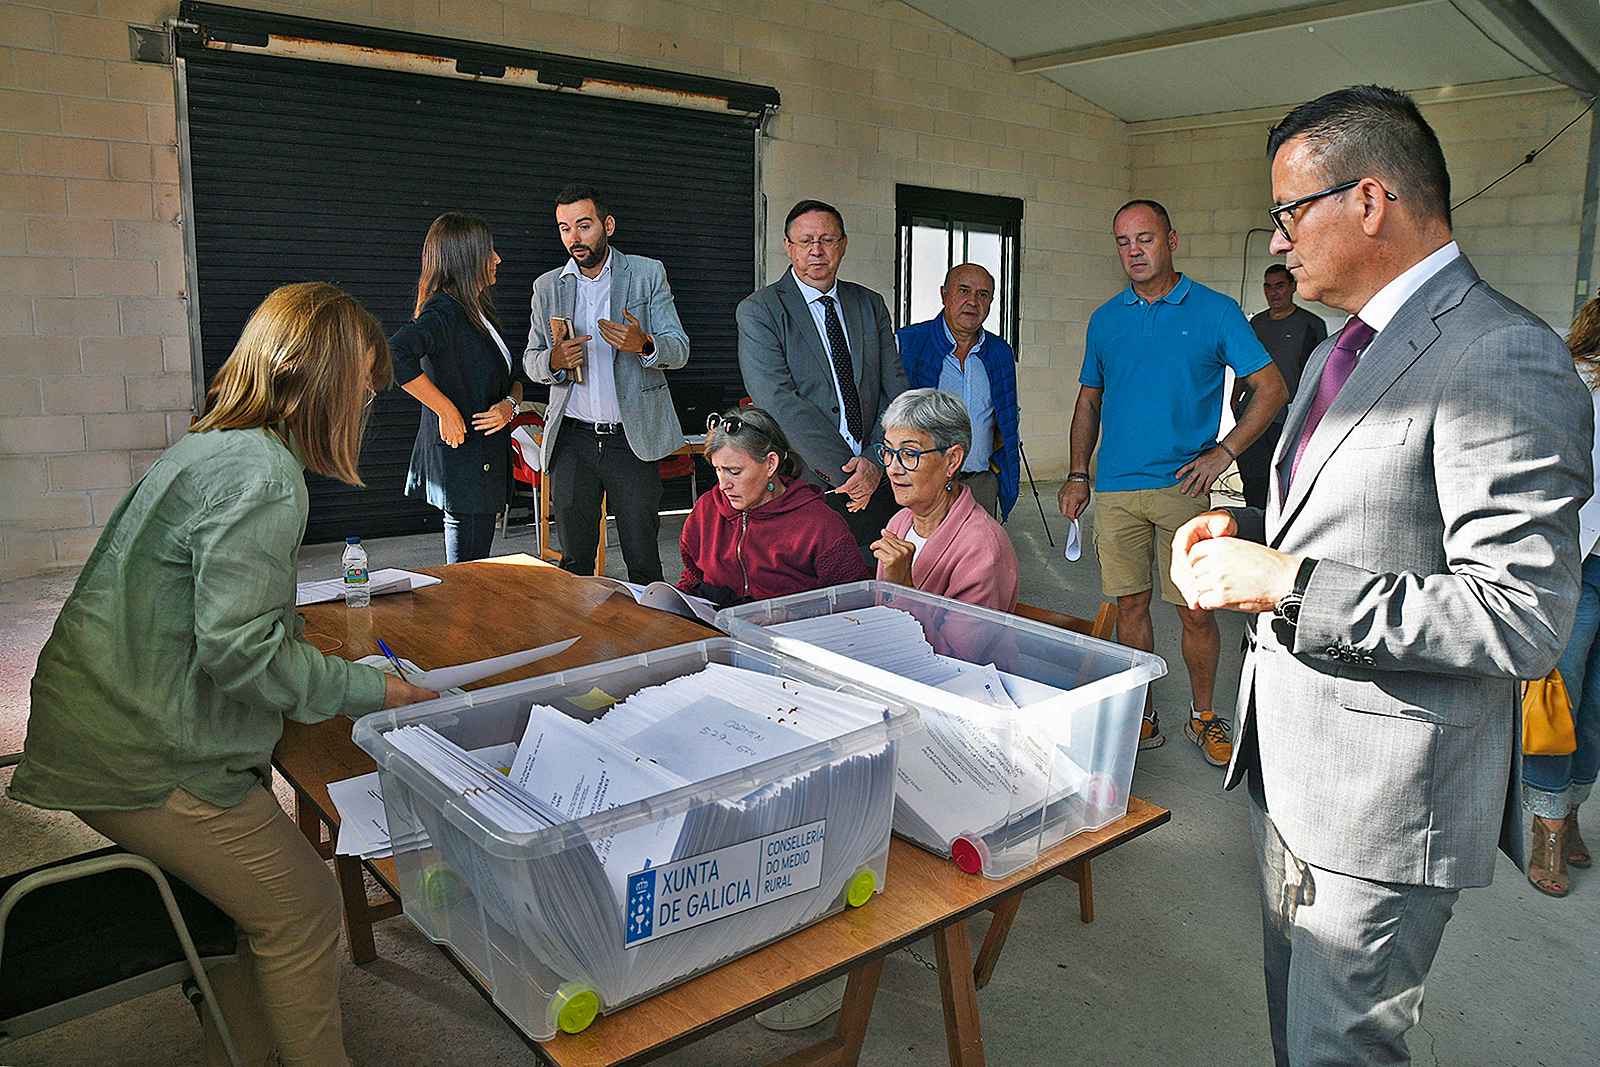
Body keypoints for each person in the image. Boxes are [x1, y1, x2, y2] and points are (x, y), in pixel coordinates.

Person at [1171, 86, 1591, 1067]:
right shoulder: (1332, 352)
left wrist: (1285, 582)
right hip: (1288, 759)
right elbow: (1342, 518)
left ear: (1367, 202)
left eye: (1286, 212)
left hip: (1380, 796)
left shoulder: (1503, 355)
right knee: (1297, 1028)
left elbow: (1520, 613)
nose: (1276, 244)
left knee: (1336, 1047)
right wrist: (1242, 532)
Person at [9, 282, 439, 1067]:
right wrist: (376, 687)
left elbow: (213, 608)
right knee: (304, 908)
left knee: (265, 908)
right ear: (322, 383)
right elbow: (240, 655)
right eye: (364, 394)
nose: (366, 414)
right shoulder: (265, 476)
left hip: (103, 717)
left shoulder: (217, 443)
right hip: (139, 751)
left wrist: (292, 638)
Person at [1059, 199, 1287, 767]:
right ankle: (1145, 712)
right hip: (1114, 490)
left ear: (1171, 239)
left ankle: (1205, 717)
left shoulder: (1215, 311)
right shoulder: (1106, 319)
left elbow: (1271, 388)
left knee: (1195, 609)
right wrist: (1077, 472)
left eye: (1145, 238)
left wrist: (1224, 452)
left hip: (1183, 489)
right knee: (1130, 606)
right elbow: (1089, 401)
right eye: (1122, 242)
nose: (1133, 251)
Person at [522, 184, 690, 583]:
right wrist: (554, 362)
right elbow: (530, 361)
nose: (574, 238)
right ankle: (582, 640)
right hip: (573, 442)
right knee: (574, 563)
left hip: (630, 441)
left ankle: (649, 643)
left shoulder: (647, 274)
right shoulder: (547, 287)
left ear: (607, 225)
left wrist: (645, 344)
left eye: (584, 225)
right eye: (565, 229)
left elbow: (679, 349)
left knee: (643, 560)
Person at [737, 199, 910, 552]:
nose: (816, 251)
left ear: (843, 245)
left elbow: (896, 390)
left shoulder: (870, 304)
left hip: (878, 475)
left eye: (827, 240)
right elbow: (779, 402)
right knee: (809, 587)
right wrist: (851, 473)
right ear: (788, 247)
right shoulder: (760, 311)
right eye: (805, 241)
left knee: (877, 583)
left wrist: (875, 460)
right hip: (806, 481)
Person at [391, 212, 523, 563]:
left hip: (484, 460)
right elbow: (395, 354)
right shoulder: (444, 309)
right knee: (467, 579)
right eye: (489, 251)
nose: (497, 259)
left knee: (475, 575)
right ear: (466, 258)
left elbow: (512, 378)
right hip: (464, 463)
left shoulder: (476, 310)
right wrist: (444, 409)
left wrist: (510, 404)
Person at [1524, 295, 1600, 896]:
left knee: (1596, 711)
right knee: (1559, 701)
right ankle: (1546, 825)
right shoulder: (1575, 384)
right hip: (1578, 563)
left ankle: (1571, 809)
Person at [676, 407, 869, 606]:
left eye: (734, 471)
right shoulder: (707, 508)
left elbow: (854, 601)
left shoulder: (820, 523)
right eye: (718, 470)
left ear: (771, 464)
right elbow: (692, 578)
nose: (724, 484)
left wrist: (791, 614)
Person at [872, 388, 1019, 612]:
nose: (892, 469)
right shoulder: (899, 523)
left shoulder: (983, 549)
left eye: (909, 454)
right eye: (888, 451)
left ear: (952, 460)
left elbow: (961, 648)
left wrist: (902, 587)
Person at [896, 263, 1020, 520]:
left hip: (980, 484)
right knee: (921, 558)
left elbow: (1006, 418)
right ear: (944, 294)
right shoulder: (908, 343)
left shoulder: (1000, 352)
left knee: (978, 558)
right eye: (964, 291)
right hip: (924, 481)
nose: (973, 301)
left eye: (983, 294)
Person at [1235, 264, 1328, 509]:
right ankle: (1252, 530)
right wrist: (1234, 400)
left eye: (1280, 286)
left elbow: (1320, 374)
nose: (1274, 292)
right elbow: (1244, 366)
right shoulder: (1257, 323)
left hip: (1287, 419)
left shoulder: (1310, 324)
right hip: (1253, 414)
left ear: (1292, 287)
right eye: (1268, 286)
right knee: (1252, 479)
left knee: (1282, 480)